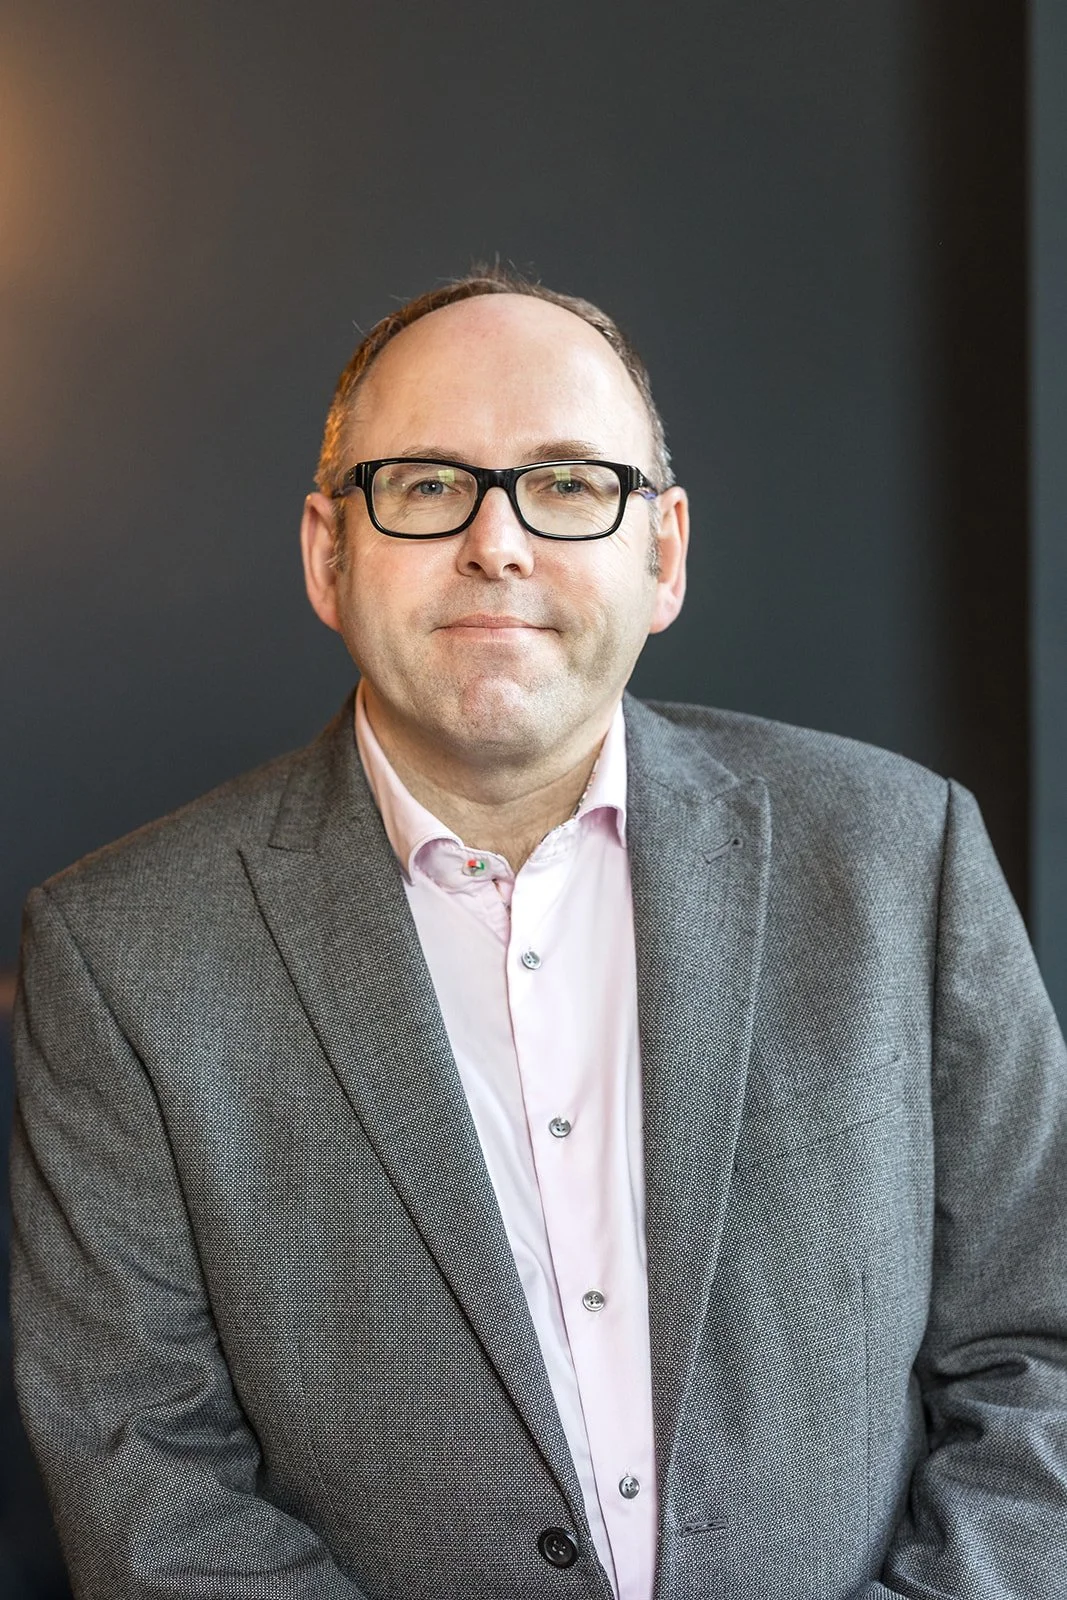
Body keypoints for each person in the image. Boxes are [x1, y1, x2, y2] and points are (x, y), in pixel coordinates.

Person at [9, 268, 1067, 1600]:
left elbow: (1044, 1353)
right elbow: (148, 1478)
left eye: (569, 486)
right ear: (327, 554)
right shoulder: (122, 955)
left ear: (662, 553)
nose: (496, 544)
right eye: (427, 484)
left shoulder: (895, 856)